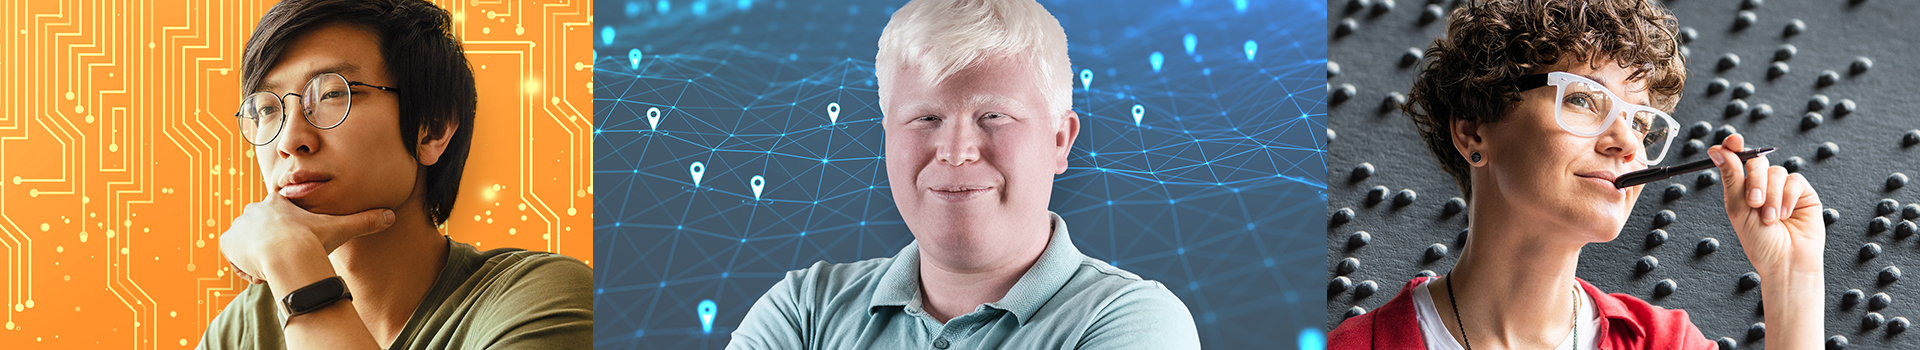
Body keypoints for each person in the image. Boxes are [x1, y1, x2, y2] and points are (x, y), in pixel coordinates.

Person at [1329, 0, 1824, 349]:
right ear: (1472, 130)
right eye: (1584, 99)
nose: (1627, 142)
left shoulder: (1660, 343)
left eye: (1641, 122)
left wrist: (1791, 278)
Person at [725, 0, 1201, 349]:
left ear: (1060, 140)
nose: (955, 152)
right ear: (887, 136)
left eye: (993, 116)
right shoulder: (805, 308)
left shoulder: (1135, 322)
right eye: (926, 118)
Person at [197, 0, 591, 349]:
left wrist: (299, 275)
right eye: (267, 110)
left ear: (432, 129)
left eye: (332, 94)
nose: (289, 139)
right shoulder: (242, 330)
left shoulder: (545, 300)